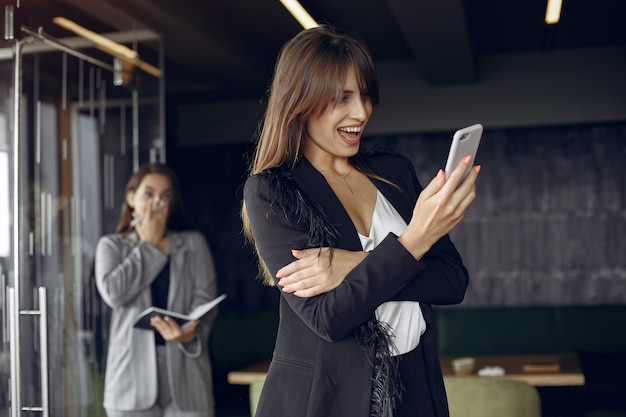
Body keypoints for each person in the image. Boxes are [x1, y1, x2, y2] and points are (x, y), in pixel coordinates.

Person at [241, 25, 480, 417]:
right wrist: (414, 241)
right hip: (327, 399)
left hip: (416, 386)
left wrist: (353, 263)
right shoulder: (273, 191)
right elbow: (329, 317)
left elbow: (452, 281)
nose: (362, 112)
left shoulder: (393, 171)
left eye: (366, 95)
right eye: (342, 98)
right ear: (300, 100)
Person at [95, 163, 218, 417]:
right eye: (148, 194)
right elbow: (114, 294)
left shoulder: (193, 244)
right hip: (130, 378)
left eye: (165, 196)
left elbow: (205, 301)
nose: (157, 203)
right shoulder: (111, 246)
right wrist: (149, 245)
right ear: (131, 198)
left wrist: (189, 334)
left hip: (186, 374)